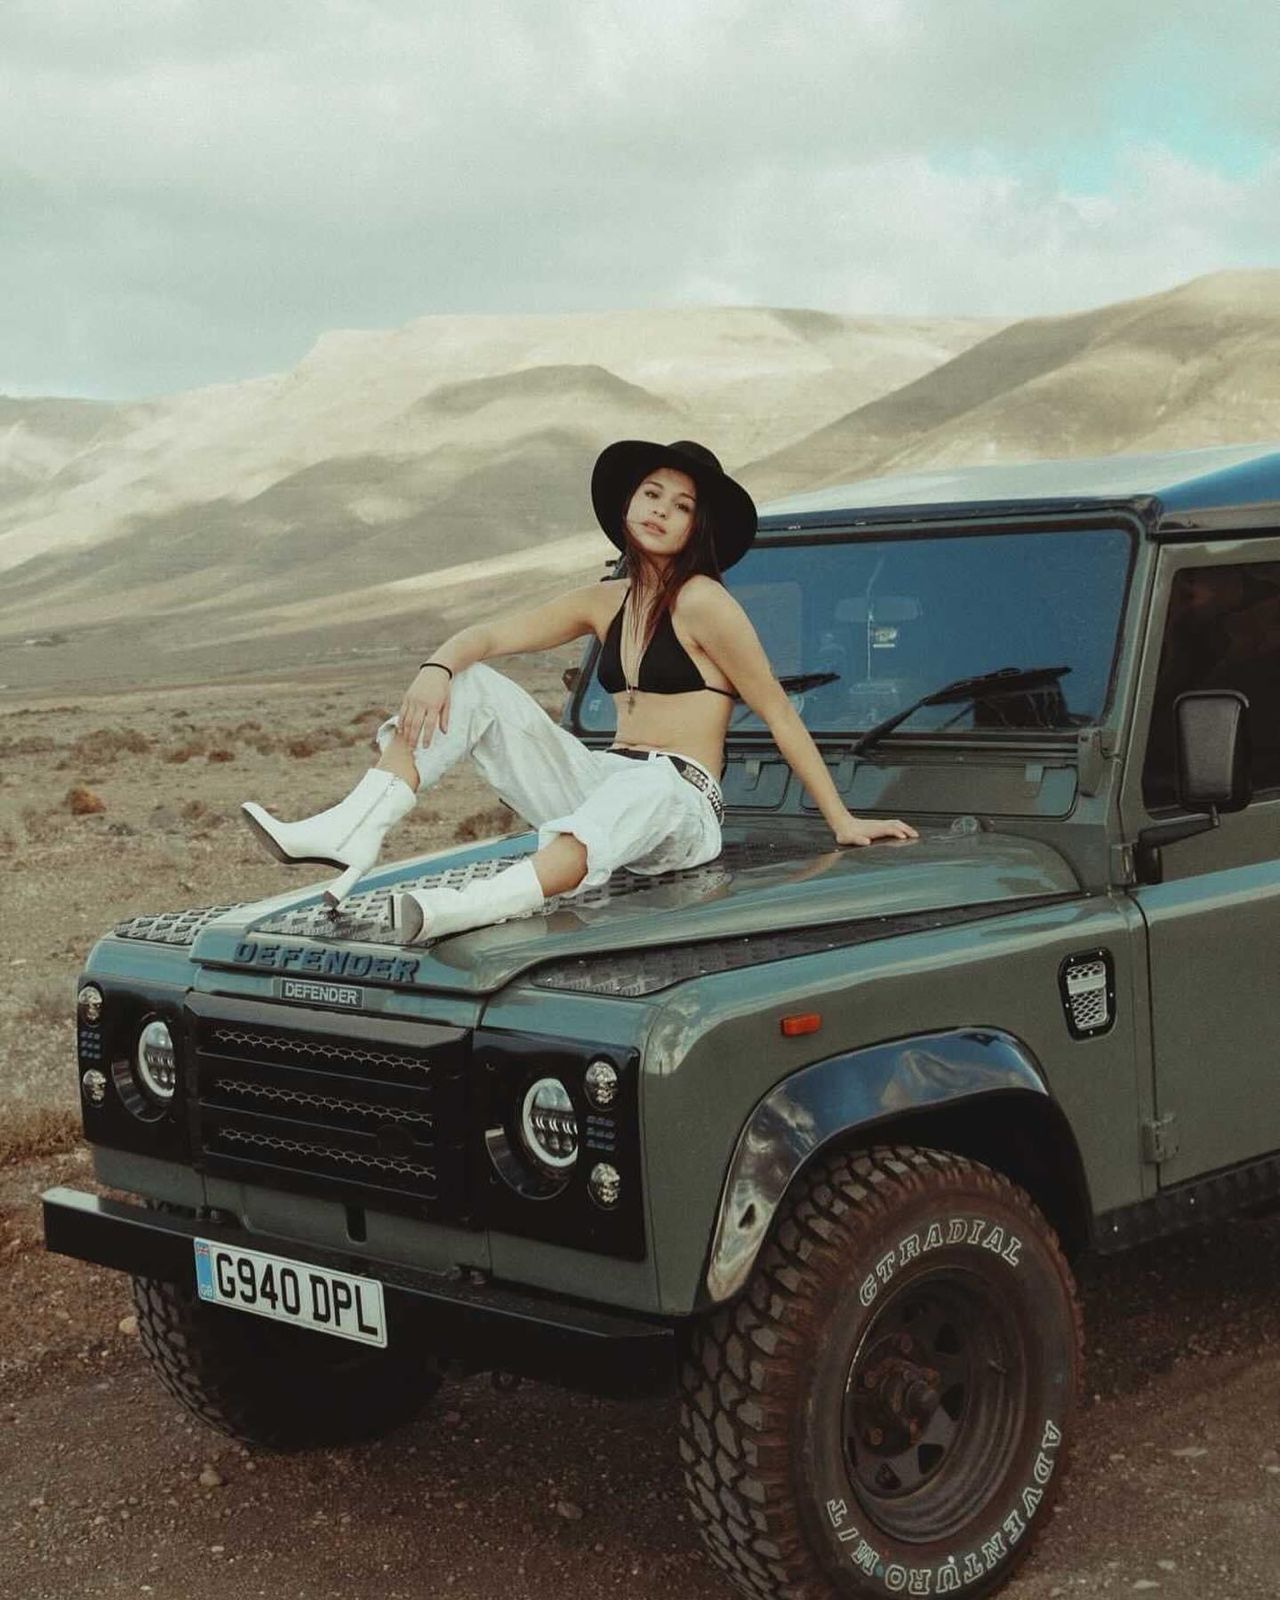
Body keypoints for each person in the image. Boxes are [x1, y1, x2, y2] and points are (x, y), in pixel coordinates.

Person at [240, 439, 917, 942]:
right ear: (630, 502)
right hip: (601, 782)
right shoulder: (604, 600)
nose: (661, 511)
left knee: (647, 783)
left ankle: (463, 911)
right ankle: (354, 828)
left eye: (681, 506)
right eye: (652, 493)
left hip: (680, 805)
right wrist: (437, 668)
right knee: (476, 683)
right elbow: (491, 635)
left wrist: (843, 822)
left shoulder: (707, 603)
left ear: (695, 528)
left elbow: (776, 711)